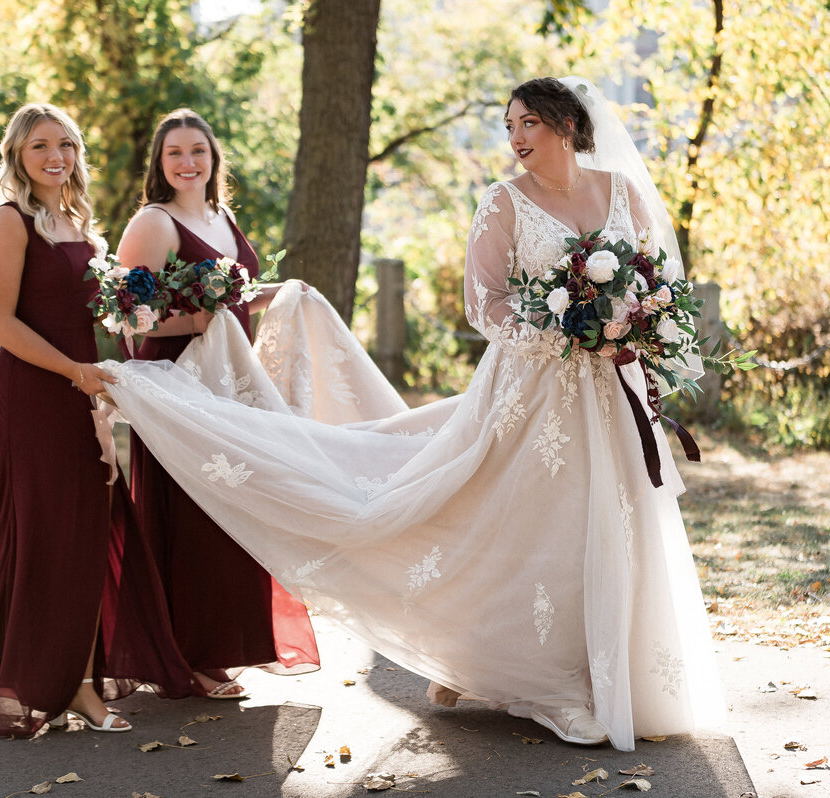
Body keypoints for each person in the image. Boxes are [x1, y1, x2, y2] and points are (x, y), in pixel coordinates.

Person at [102, 77, 725, 751]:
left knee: (612, 518)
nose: (515, 139)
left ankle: (612, 671)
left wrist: (631, 324)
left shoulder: (622, 193)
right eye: (509, 126)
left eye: (528, 126)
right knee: (532, 519)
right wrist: (556, 331)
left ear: (567, 126)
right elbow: (483, 304)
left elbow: (657, 282)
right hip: (534, 388)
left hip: (609, 390)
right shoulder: (504, 203)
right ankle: (546, 682)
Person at [0, 103, 198, 737]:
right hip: (27, 397)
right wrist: (75, 373)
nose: (57, 156)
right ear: (17, 155)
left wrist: (113, 378)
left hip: (80, 397)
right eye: (40, 145)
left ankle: (5, 664)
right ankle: (48, 679)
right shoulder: (9, 220)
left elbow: (98, 323)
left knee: (81, 533)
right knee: (35, 538)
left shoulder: (83, 228)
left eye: (67, 145)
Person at [115, 109, 320, 700]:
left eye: (198, 151)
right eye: (174, 153)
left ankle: (226, 643)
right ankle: (188, 655)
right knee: (192, 518)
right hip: (178, 387)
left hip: (228, 386)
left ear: (213, 157)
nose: (187, 163)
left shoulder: (221, 217)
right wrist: (196, 317)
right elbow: (126, 319)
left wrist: (279, 295)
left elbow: (234, 302)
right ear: (159, 162)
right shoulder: (154, 222)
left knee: (234, 514)